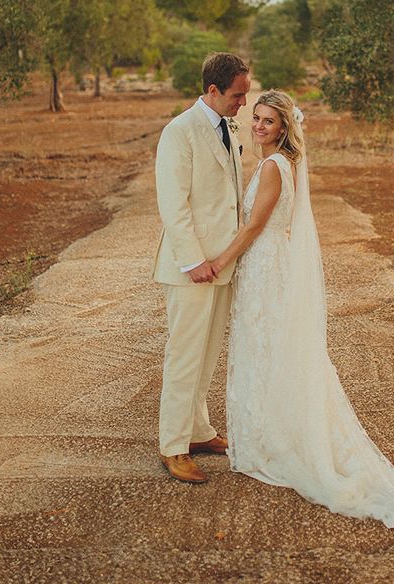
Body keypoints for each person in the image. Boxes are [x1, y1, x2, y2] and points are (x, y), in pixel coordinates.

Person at [210, 90, 394, 532]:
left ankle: (275, 444)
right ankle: (267, 437)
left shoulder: (273, 167)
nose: (259, 126)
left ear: (283, 128)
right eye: (256, 118)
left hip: (265, 267)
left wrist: (222, 260)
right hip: (268, 264)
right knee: (268, 350)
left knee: (266, 349)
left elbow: (256, 225)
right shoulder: (280, 163)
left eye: (268, 121)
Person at [153, 53, 250, 484]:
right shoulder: (179, 132)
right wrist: (193, 261)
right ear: (213, 91)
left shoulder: (228, 126)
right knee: (184, 355)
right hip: (192, 267)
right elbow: (173, 205)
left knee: (208, 353)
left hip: (223, 262)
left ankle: (198, 430)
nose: (243, 104)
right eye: (237, 95)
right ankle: (173, 446)